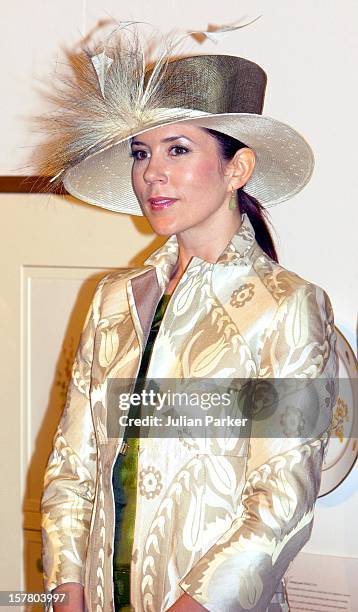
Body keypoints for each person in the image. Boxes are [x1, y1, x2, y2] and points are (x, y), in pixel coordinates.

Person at [40, 23, 338, 612]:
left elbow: (282, 498)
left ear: (237, 168)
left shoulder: (290, 306)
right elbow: (71, 464)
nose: (152, 173)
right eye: (141, 152)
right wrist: (64, 591)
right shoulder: (112, 300)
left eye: (178, 149)